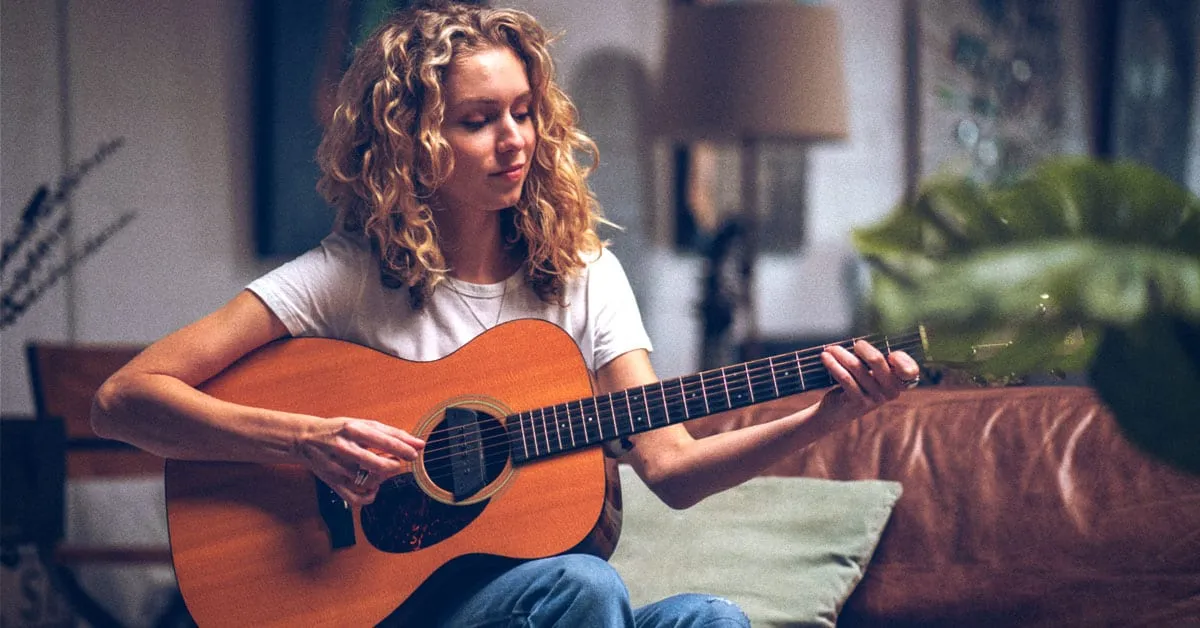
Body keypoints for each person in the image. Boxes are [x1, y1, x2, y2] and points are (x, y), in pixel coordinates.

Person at [91, 2, 920, 626]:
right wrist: (307, 441)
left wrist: (825, 413)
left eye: (523, 112)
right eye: (478, 121)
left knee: (711, 620)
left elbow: (669, 467)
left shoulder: (583, 274)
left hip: (539, 607)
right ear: (412, 137)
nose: (515, 140)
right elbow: (124, 398)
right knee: (585, 585)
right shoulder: (344, 278)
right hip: (379, 606)